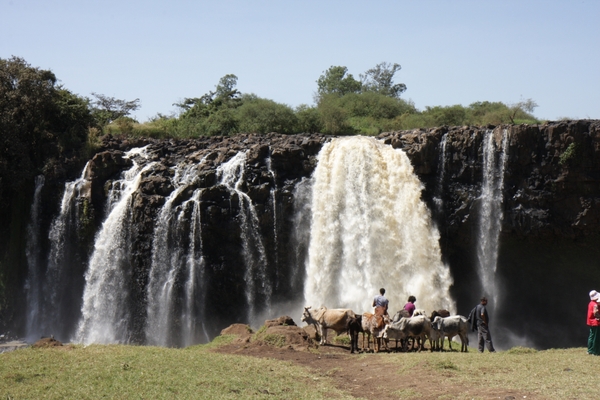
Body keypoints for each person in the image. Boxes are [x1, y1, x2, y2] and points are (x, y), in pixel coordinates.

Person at [586, 290, 600, 355]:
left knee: (591, 336)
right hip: (596, 322)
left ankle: (590, 350)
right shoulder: (595, 304)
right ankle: (596, 351)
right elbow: (596, 312)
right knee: (596, 337)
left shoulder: (590, 303)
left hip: (590, 322)